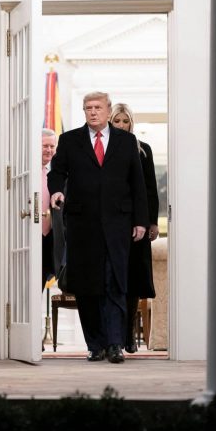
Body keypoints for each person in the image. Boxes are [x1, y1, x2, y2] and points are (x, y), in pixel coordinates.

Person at [48, 91, 148, 364]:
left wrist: (140, 220)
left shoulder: (126, 141)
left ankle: (115, 344)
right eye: (88, 108)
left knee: (115, 282)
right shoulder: (70, 140)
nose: (93, 112)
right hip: (82, 225)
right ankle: (95, 345)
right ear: (84, 111)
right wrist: (56, 191)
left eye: (97, 107)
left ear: (107, 110)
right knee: (87, 286)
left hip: (118, 224)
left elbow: (137, 183)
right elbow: (57, 172)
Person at [110, 103, 159, 354]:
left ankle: (129, 334)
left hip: (138, 224)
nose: (121, 125)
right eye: (116, 121)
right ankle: (115, 337)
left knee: (133, 280)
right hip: (112, 223)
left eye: (125, 121)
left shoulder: (143, 150)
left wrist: (152, 222)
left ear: (131, 123)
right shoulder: (104, 149)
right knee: (113, 279)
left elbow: (150, 188)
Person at [40, 128, 61, 283]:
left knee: (43, 277)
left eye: (52, 146)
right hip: (30, 234)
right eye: (45, 146)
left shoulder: (56, 174)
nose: (49, 150)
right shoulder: (27, 173)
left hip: (50, 236)